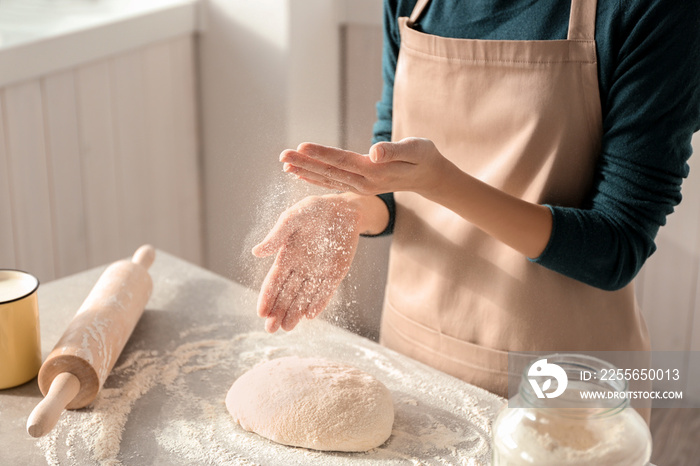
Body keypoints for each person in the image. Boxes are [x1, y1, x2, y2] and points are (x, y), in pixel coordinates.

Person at [252, 0, 700, 414]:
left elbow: (615, 248)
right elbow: (395, 181)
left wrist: (441, 182)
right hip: (415, 357)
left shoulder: (654, 11)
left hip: (564, 390)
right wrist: (352, 209)